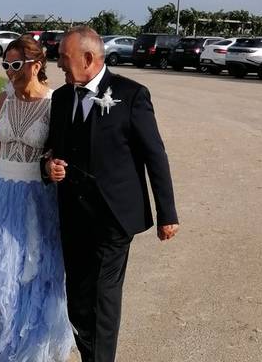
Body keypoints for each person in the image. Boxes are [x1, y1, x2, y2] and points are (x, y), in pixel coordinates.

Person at [43, 26, 179, 362]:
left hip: (114, 217)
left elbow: (154, 155)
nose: (58, 62)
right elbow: (51, 151)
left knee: (103, 298)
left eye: (63, 56)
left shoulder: (132, 95)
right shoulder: (60, 99)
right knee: (77, 298)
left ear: (88, 59)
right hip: (73, 216)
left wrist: (168, 214)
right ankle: (93, 354)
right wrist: (48, 168)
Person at [0, 37, 74, 362]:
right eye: (5, 65)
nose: (9, 72)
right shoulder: (3, 98)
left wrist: (53, 164)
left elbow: (58, 150)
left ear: (36, 64)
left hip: (34, 196)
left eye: (15, 65)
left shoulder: (53, 103)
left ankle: (8, 339)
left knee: (24, 269)